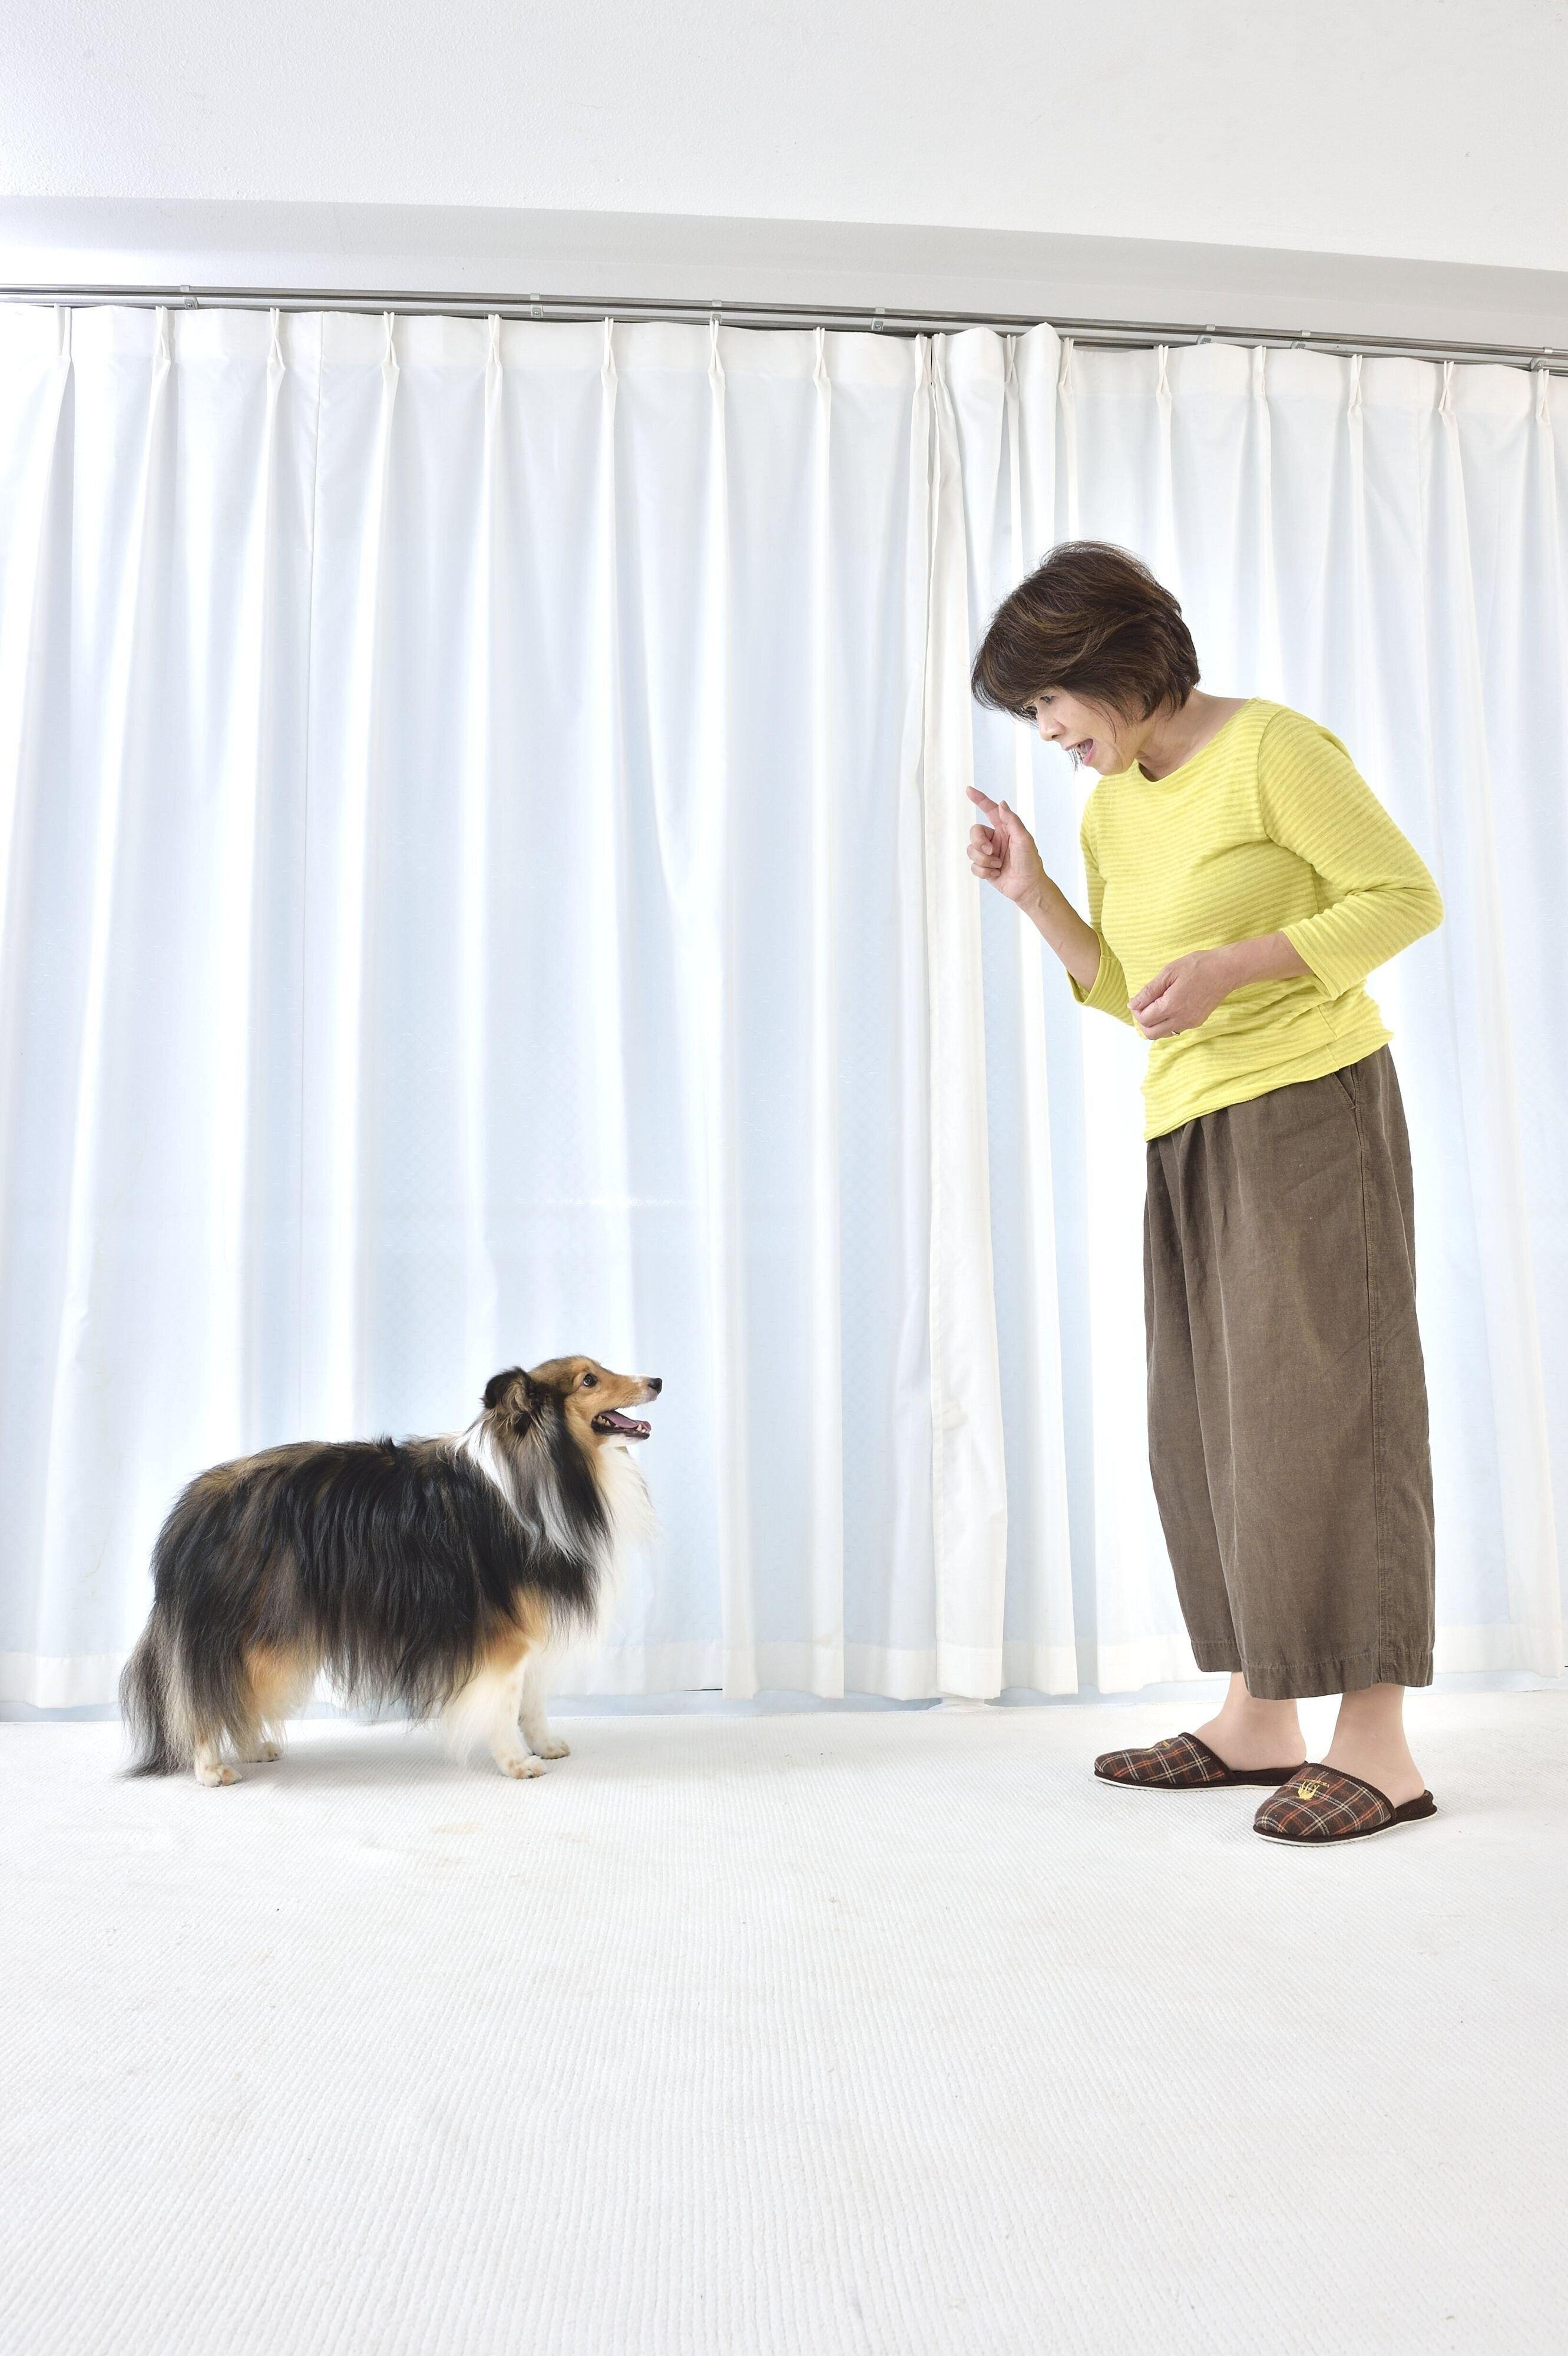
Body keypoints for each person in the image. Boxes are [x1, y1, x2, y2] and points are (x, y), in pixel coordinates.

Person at [967, 540, 1445, 1847]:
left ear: (1107, 659)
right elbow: (1135, 994)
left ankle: (1378, 1745)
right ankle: (1254, 1716)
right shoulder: (1112, 804)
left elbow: (1402, 897)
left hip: (1310, 1105)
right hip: (1185, 1123)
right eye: (1026, 717)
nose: (1045, 731)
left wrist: (1240, 962)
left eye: (1045, 701)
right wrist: (1033, 894)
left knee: (1329, 1414)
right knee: (1217, 1424)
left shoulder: (1270, 749)